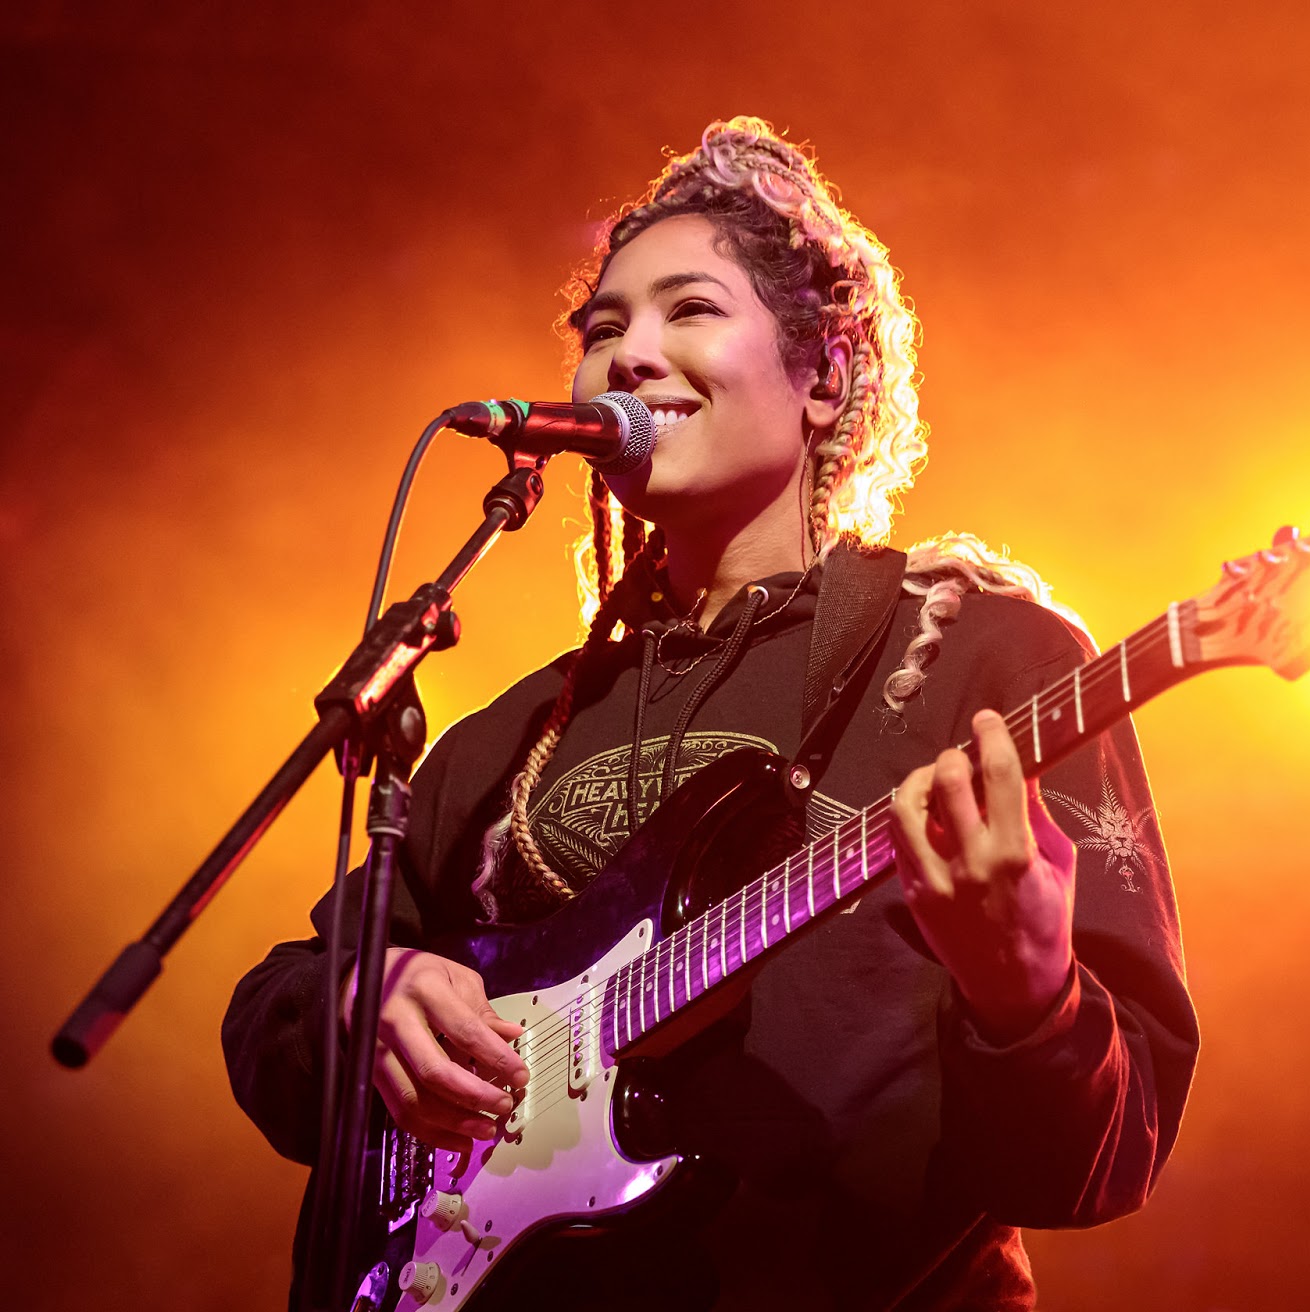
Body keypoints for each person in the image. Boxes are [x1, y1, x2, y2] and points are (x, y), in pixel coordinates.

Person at [223, 117, 1199, 1311]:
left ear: (823, 377)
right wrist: (358, 998)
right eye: (601, 329)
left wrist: (1030, 997)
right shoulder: (511, 741)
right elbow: (271, 1009)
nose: (630, 355)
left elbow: (1101, 1160)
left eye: (689, 309)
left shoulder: (980, 659)